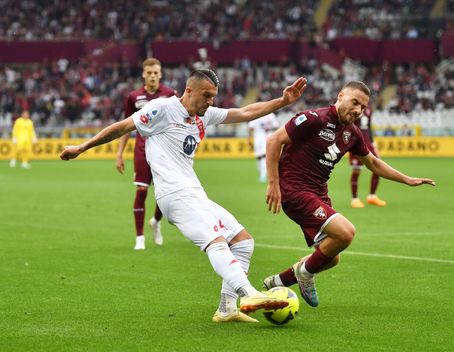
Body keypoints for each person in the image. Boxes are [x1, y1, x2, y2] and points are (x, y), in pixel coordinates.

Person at [61, 69, 307, 322]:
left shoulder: (204, 114)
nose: (211, 102)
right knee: (216, 240)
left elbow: (243, 113)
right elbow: (122, 127)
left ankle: (227, 309)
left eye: (214, 96)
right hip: (173, 195)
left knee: (243, 241)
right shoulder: (162, 109)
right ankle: (249, 293)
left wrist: (282, 101)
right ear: (189, 91)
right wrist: (82, 147)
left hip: (195, 194)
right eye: (206, 95)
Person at [263, 81, 435, 308]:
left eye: (363, 107)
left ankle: (279, 281)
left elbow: (372, 162)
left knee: (331, 257)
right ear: (340, 96)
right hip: (295, 190)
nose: (358, 110)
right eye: (355, 102)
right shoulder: (314, 118)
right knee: (346, 233)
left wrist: (407, 179)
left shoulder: (352, 133)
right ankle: (305, 274)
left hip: (318, 194)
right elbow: (274, 140)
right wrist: (273, 183)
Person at [116, 57, 176, 250]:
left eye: (155, 73)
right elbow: (125, 127)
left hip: (165, 150)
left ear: (160, 74)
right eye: (149, 73)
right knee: (141, 190)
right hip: (142, 149)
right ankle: (139, 237)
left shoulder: (170, 94)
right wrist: (119, 154)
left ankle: (156, 222)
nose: (152, 76)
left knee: (163, 194)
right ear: (143, 74)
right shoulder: (134, 97)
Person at [348, 104, 386, 208]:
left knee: (378, 168)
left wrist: (373, 144)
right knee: (356, 171)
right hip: (355, 144)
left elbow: (369, 127)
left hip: (368, 144)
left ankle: (372, 196)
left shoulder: (369, 108)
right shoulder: (352, 107)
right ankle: (355, 199)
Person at [247, 112, 279, 182]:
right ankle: (261, 174)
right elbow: (250, 127)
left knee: (264, 155)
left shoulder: (270, 115)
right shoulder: (256, 115)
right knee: (259, 157)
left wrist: (269, 128)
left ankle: (263, 175)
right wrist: (249, 139)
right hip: (258, 139)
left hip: (267, 138)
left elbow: (276, 126)